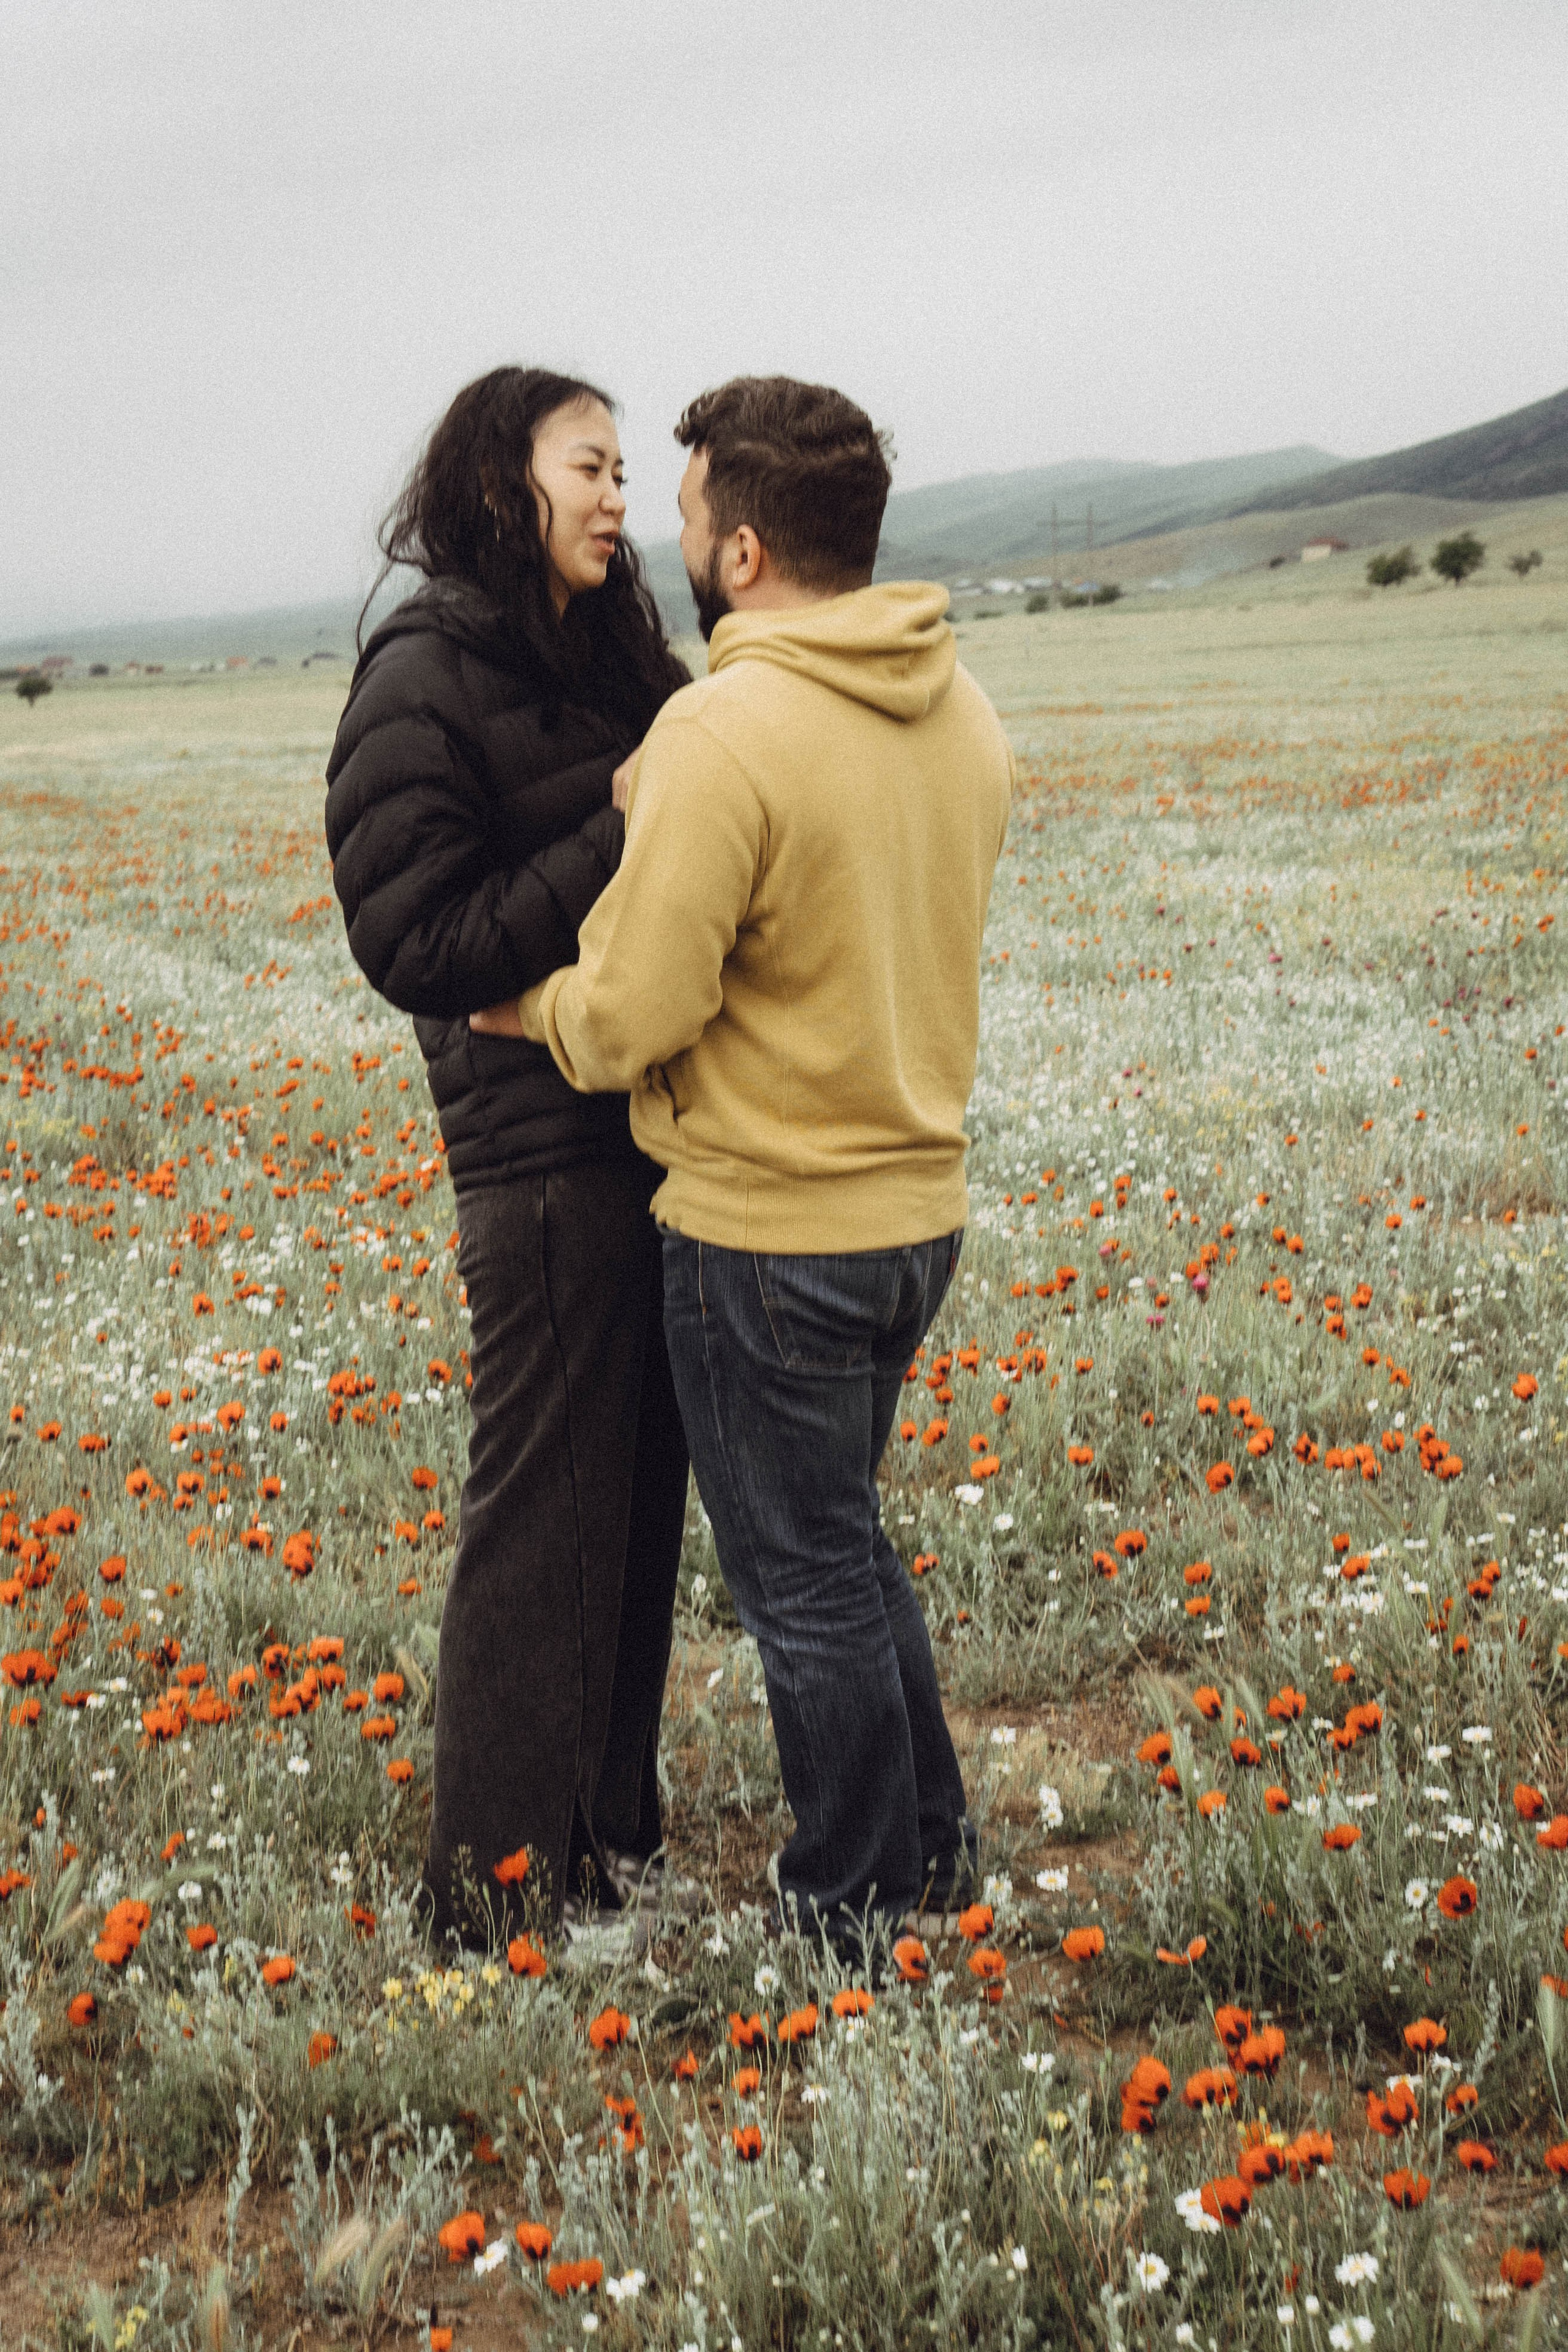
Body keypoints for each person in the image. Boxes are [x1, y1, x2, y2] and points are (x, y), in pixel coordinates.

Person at [471, 374, 1014, 1951]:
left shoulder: (723, 727)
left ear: (748, 553)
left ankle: (847, 1907)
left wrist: (529, 1010)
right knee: (847, 1545)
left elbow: (639, 1005)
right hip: (916, 1212)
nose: (667, 525)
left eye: (689, 507)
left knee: (806, 1589)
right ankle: (928, 1853)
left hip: (766, 1231)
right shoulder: (958, 707)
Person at [325, 366, 692, 1950]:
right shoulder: (422, 671)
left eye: (624, 471)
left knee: (638, 1500)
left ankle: (607, 1836)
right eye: (591, 467)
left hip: (657, 1126)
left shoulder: (609, 649)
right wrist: (620, 827)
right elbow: (417, 938)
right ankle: (491, 1894)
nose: (619, 497)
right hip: (535, 1152)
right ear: (502, 483)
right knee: (544, 1509)